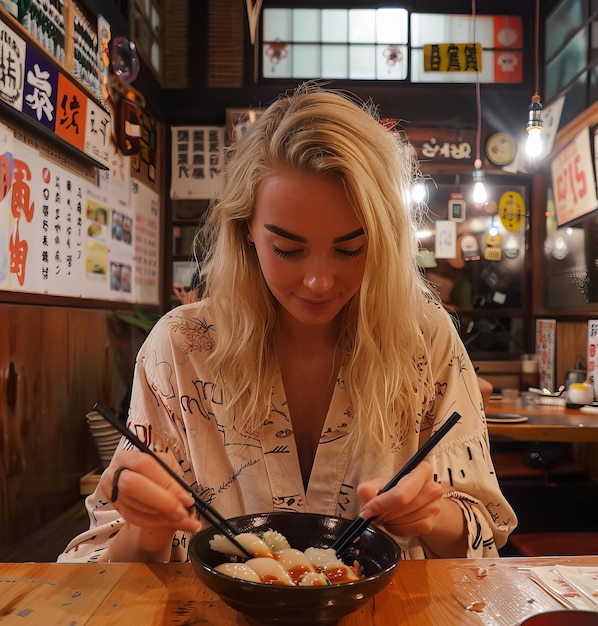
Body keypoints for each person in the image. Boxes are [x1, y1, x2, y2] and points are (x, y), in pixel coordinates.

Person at [60, 85, 516, 564]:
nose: (319, 281)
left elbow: (482, 531)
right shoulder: (181, 347)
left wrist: (430, 516)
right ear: (246, 233)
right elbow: (101, 564)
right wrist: (148, 529)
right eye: (288, 249)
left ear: (384, 241)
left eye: (349, 248)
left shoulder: (425, 339)